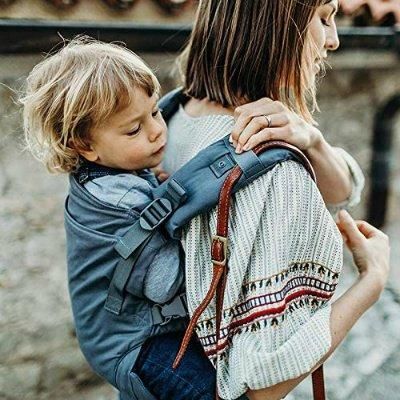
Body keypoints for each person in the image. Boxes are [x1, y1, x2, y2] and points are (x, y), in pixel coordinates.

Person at [21, 37, 328, 400]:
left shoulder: (111, 173)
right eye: (133, 129)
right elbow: (163, 282)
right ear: (84, 145)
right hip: (137, 347)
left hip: (130, 332)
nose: (156, 130)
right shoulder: (117, 201)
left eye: (154, 112)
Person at [157, 1, 391, 399]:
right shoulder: (270, 170)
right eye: (323, 17)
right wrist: (373, 281)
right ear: (277, 22)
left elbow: (344, 190)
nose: (333, 39)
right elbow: (262, 387)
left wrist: (313, 141)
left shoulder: (172, 113)